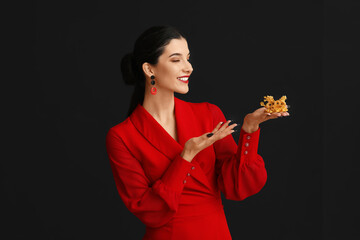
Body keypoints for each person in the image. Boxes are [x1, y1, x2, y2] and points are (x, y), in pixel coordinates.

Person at [105, 25, 290, 240]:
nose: (189, 67)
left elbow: (237, 186)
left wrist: (250, 131)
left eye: (188, 58)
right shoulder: (122, 136)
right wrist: (186, 156)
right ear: (149, 69)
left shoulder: (208, 114)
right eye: (176, 60)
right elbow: (148, 209)